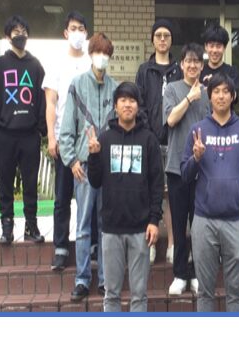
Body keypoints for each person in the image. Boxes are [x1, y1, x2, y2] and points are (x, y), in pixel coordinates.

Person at [181, 73, 239, 312]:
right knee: (204, 291)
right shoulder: (197, 130)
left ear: (233, 96)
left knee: (234, 291)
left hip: (236, 221)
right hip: (204, 220)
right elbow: (184, 175)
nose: (221, 96)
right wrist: (196, 158)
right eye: (216, 91)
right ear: (209, 96)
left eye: (226, 91)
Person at [87, 82, 164, 312]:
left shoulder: (149, 140)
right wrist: (93, 156)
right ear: (115, 106)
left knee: (139, 295)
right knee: (111, 294)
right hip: (111, 228)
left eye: (132, 100)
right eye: (123, 100)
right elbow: (95, 182)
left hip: (141, 228)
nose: (127, 105)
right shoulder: (105, 139)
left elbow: (157, 184)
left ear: (138, 106)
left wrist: (154, 220)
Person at [59, 32, 118, 301]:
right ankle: (82, 279)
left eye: (106, 53)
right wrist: (71, 160)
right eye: (98, 52)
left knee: (106, 224)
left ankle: (105, 279)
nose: (101, 57)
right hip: (83, 166)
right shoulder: (77, 84)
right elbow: (66, 129)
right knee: (83, 224)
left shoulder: (116, 89)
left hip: (107, 168)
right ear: (90, 54)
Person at [0, 15, 46, 246]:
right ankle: (7, 227)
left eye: (24, 31)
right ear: (8, 36)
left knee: (31, 184)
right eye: (16, 31)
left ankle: (31, 226)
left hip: (29, 135)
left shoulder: (35, 65)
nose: (20, 35)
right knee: (5, 183)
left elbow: (42, 98)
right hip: (5, 135)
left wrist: (40, 129)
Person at [43, 11, 92, 271]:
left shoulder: (91, 61)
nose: (77, 33)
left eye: (81, 29)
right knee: (62, 197)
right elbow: (51, 103)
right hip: (64, 139)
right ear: (65, 33)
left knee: (90, 195)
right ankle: (61, 247)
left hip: (88, 140)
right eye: (73, 28)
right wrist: (51, 136)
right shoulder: (56, 63)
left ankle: (92, 244)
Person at [162, 43, 210, 296]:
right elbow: (170, 120)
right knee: (180, 224)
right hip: (177, 168)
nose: (192, 65)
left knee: (199, 226)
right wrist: (190, 98)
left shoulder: (208, 93)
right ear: (181, 65)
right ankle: (180, 274)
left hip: (203, 169)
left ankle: (198, 273)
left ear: (202, 66)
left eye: (196, 61)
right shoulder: (171, 89)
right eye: (188, 61)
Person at [135, 18, 181, 264]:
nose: (162, 39)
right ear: (152, 40)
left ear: (171, 40)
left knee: (173, 195)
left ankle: (173, 244)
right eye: (158, 35)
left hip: (174, 142)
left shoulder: (179, 70)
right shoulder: (144, 70)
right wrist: (148, 134)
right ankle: (150, 243)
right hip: (150, 142)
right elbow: (139, 104)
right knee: (150, 193)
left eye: (166, 35)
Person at [199, 24, 239, 91]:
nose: (214, 50)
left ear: (224, 48)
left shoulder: (232, 72)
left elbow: (234, 95)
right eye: (211, 46)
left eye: (218, 46)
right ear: (205, 46)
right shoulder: (199, 72)